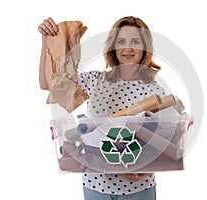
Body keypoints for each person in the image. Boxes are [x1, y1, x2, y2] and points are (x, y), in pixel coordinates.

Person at [38, 16, 166, 200]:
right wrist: (47, 40)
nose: (128, 48)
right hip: (95, 187)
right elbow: (48, 84)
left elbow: (161, 144)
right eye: (121, 41)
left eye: (135, 41)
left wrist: (141, 172)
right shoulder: (95, 80)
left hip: (137, 190)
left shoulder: (155, 92)